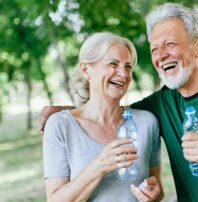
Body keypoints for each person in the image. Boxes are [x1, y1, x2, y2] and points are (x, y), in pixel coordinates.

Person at [39, 3, 198, 202]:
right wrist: (63, 112)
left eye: (170, 44)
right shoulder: (161, 103)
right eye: (154, 49)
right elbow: (108, 109)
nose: (161, 55)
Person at [42, 32, 163, 202]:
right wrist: (99, 166)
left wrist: (154, 193)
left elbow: (158, 188)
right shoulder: (59, 126)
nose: (123, 74)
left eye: (128, 67)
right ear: (86, 70)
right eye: (113, 64)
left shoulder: (147, 123)